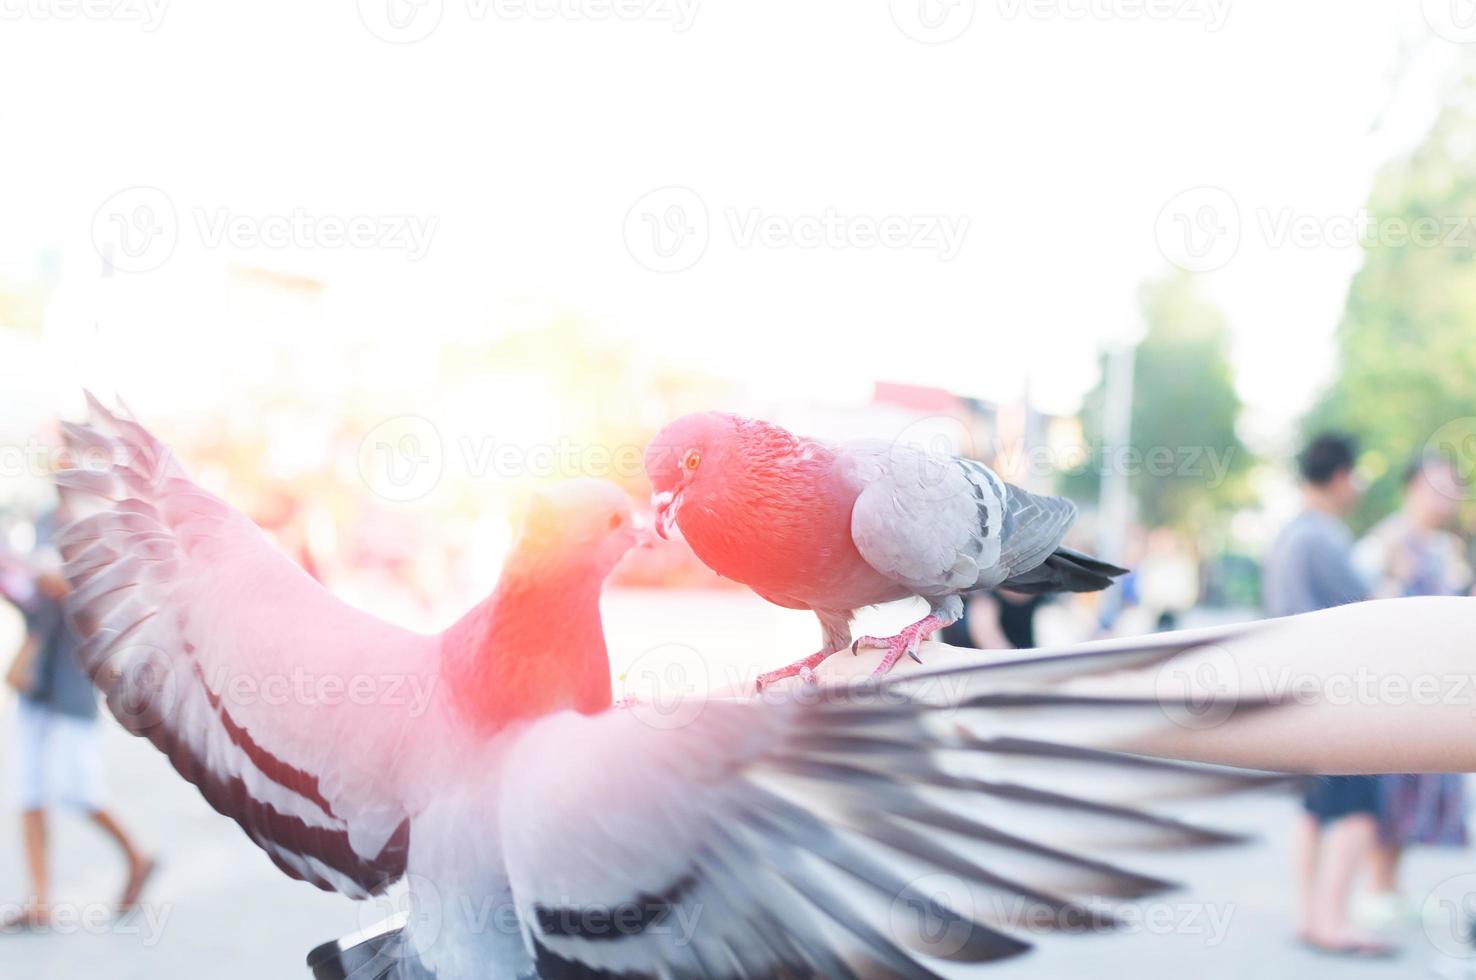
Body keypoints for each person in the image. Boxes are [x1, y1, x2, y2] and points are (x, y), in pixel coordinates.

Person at [1261, 432, 1388, 957]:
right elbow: (1367, 609)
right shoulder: (1323, 537)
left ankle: (1310, 916)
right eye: (1354, 475)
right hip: (1338, 691)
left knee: (1315, 810)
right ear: (1339, 477)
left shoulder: (1288, 535)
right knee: (1357, 807)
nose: (1356, 486)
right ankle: (1333, 922)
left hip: (1296, 688)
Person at [2, 509, 156, 932]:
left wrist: (51, 586)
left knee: (77, 789)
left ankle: (136, 857)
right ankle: (40, 902)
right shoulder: (38, 524)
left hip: (71, 684)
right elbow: (30, 594)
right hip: (37, 686)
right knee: (29, 792)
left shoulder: (100, 526)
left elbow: (85, 599)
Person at [1352, 455, 1470, 928]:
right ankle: (1374, 888)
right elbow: (1360, 612)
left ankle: (1392, 885)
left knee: (1420, 793)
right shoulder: (1384, 541)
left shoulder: (1447, 548)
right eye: (1439, 485)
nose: (1448, 496)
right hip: (1392, 692)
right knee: (1391, 791)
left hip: (1437, 693)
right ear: (1413, 487)